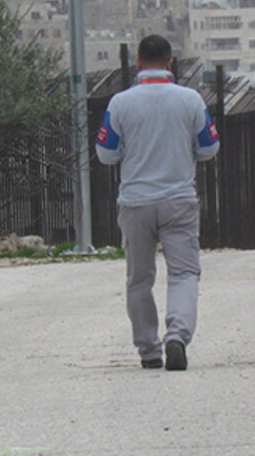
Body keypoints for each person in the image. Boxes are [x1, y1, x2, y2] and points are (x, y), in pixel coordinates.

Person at [95, 35, 221, 371]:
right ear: (170, 64)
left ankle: (148, 349)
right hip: (178, 198)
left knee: (139, 278)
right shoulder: (190, 100)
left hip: (136, 202)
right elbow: (209, 147)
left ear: (138, 63)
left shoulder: (120, 103)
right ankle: (177, 335)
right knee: (183, 273)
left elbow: (106, 154)